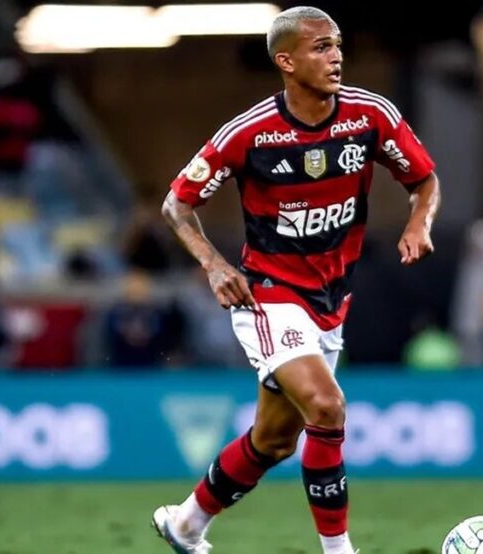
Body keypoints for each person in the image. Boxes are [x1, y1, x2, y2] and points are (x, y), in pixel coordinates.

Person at [152, 7, 441, 554]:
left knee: (275, 439)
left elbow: (423, 178)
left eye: (337, 45)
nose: (335, 57)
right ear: (286, 61)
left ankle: (186, 524)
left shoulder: (370, 115)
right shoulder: (249, 133)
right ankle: (339, 552)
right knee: (328, 407)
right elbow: (177, 204)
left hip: (332, 299)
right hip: (268, 295)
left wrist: (418, 221)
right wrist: (214, 264)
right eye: (320, 48)